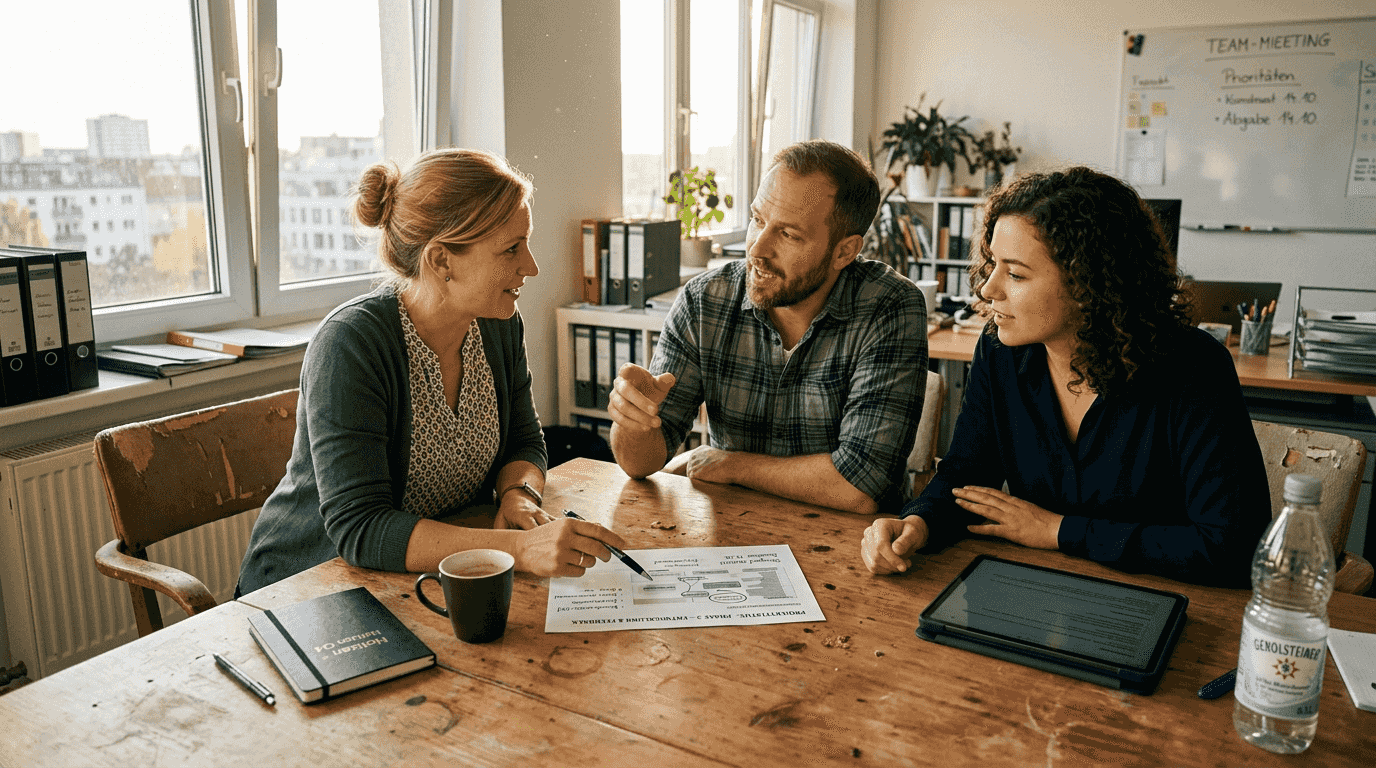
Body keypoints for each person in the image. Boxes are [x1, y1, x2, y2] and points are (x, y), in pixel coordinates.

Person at [861, 166, 1271, 588]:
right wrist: (918, 523)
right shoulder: (1001, 351)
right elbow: (967, 477)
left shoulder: (1194, 368)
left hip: (1166, 600)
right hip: (1038, 590)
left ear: (1090, 284)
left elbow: (1234, 546)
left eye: (1016, 274)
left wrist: (1059, 531)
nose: (987, 289)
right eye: (993, 264)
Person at [238, 148, 625, 594]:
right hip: (306, 586)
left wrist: (519, 494)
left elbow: (523, 441)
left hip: (419, 578)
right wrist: (519, 550)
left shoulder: (497, 323)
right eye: (511, 249)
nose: (531, 266)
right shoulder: (352, 344)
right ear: (441, 261)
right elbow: (361, 528)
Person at [609, 140, 928, 513]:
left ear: (844, 251)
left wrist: (732, 465)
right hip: (734, 529)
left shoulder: (889, 307)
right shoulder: (704, 300)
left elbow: (860, 486)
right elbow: (640, 464)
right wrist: (633, 421)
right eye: (758, 220)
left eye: (788, 234)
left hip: (852, 539)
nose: (756, 249)